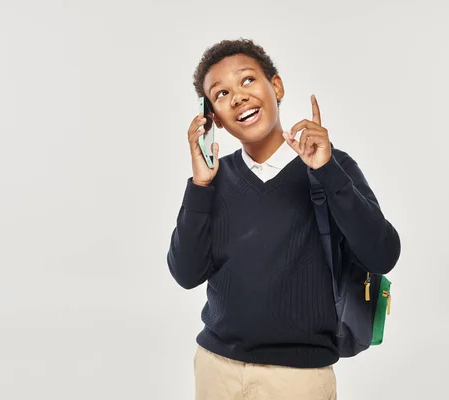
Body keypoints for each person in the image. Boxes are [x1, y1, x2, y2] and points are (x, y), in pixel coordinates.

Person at [166, 38, 401, 400]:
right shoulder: (214, 181)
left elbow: (382, 254)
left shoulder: (330, 167)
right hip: (216, 369)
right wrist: (200, 185)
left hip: (299, 378)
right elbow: (186, 274)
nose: (239, 97)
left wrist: (327, 171)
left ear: (276, 87)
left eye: (247, 81)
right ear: (213, 118)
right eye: (222, 93)